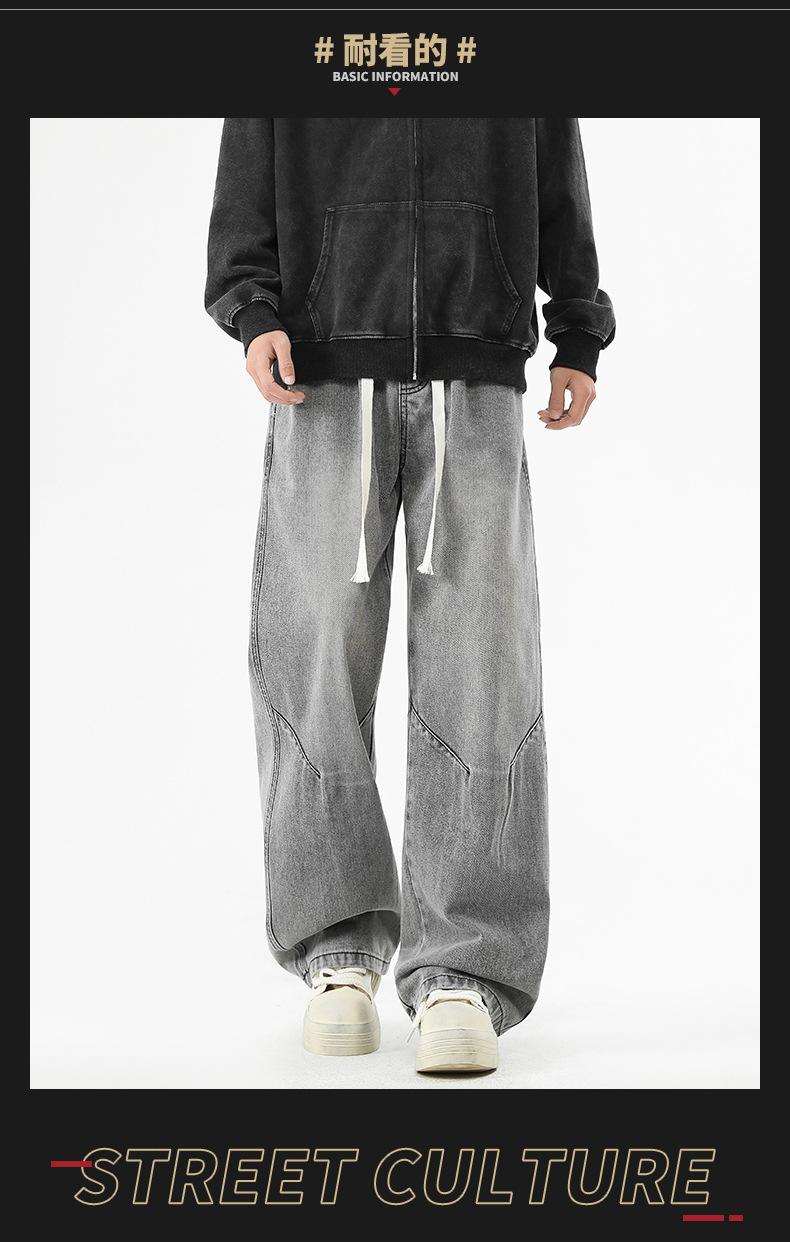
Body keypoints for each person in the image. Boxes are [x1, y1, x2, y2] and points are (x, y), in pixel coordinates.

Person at [206, 118, 614, 1074]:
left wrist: (577, 327)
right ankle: (335, 954)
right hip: (319, 372)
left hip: (477, 371)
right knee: (313, 658)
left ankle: (465, 971)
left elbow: (555, 163)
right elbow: (247, 172)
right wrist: (252, 309)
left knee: (484, 667)